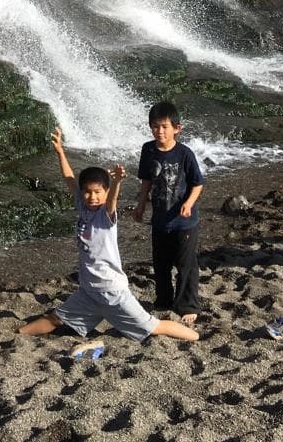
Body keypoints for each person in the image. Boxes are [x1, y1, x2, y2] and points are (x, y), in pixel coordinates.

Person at [19, 128, 199, 345]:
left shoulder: (106, 215)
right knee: (56, 319)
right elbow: (69, 178)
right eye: (88, 192)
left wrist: (116, 182)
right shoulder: (83, 208)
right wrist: (60, 152)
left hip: (114, 292)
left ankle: (197, 336)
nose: (92, 197)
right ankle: (17, 334)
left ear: (104, 193)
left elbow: (112, 199)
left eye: (97, 192)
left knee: (153, 327)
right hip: (88, 292)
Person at [133, 100, 205, 326]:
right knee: (160, 263)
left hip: (184, 222)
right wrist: (141, 204)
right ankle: (163, 300)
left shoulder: (185, 154)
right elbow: (146, 180)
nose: (159, 131)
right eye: (155, 126)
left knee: (186, 264)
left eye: (164, 126)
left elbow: (197, 183)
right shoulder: (148, 150)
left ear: (177, 128)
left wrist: (189, 203)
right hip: (160, 220)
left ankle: (187, 305)